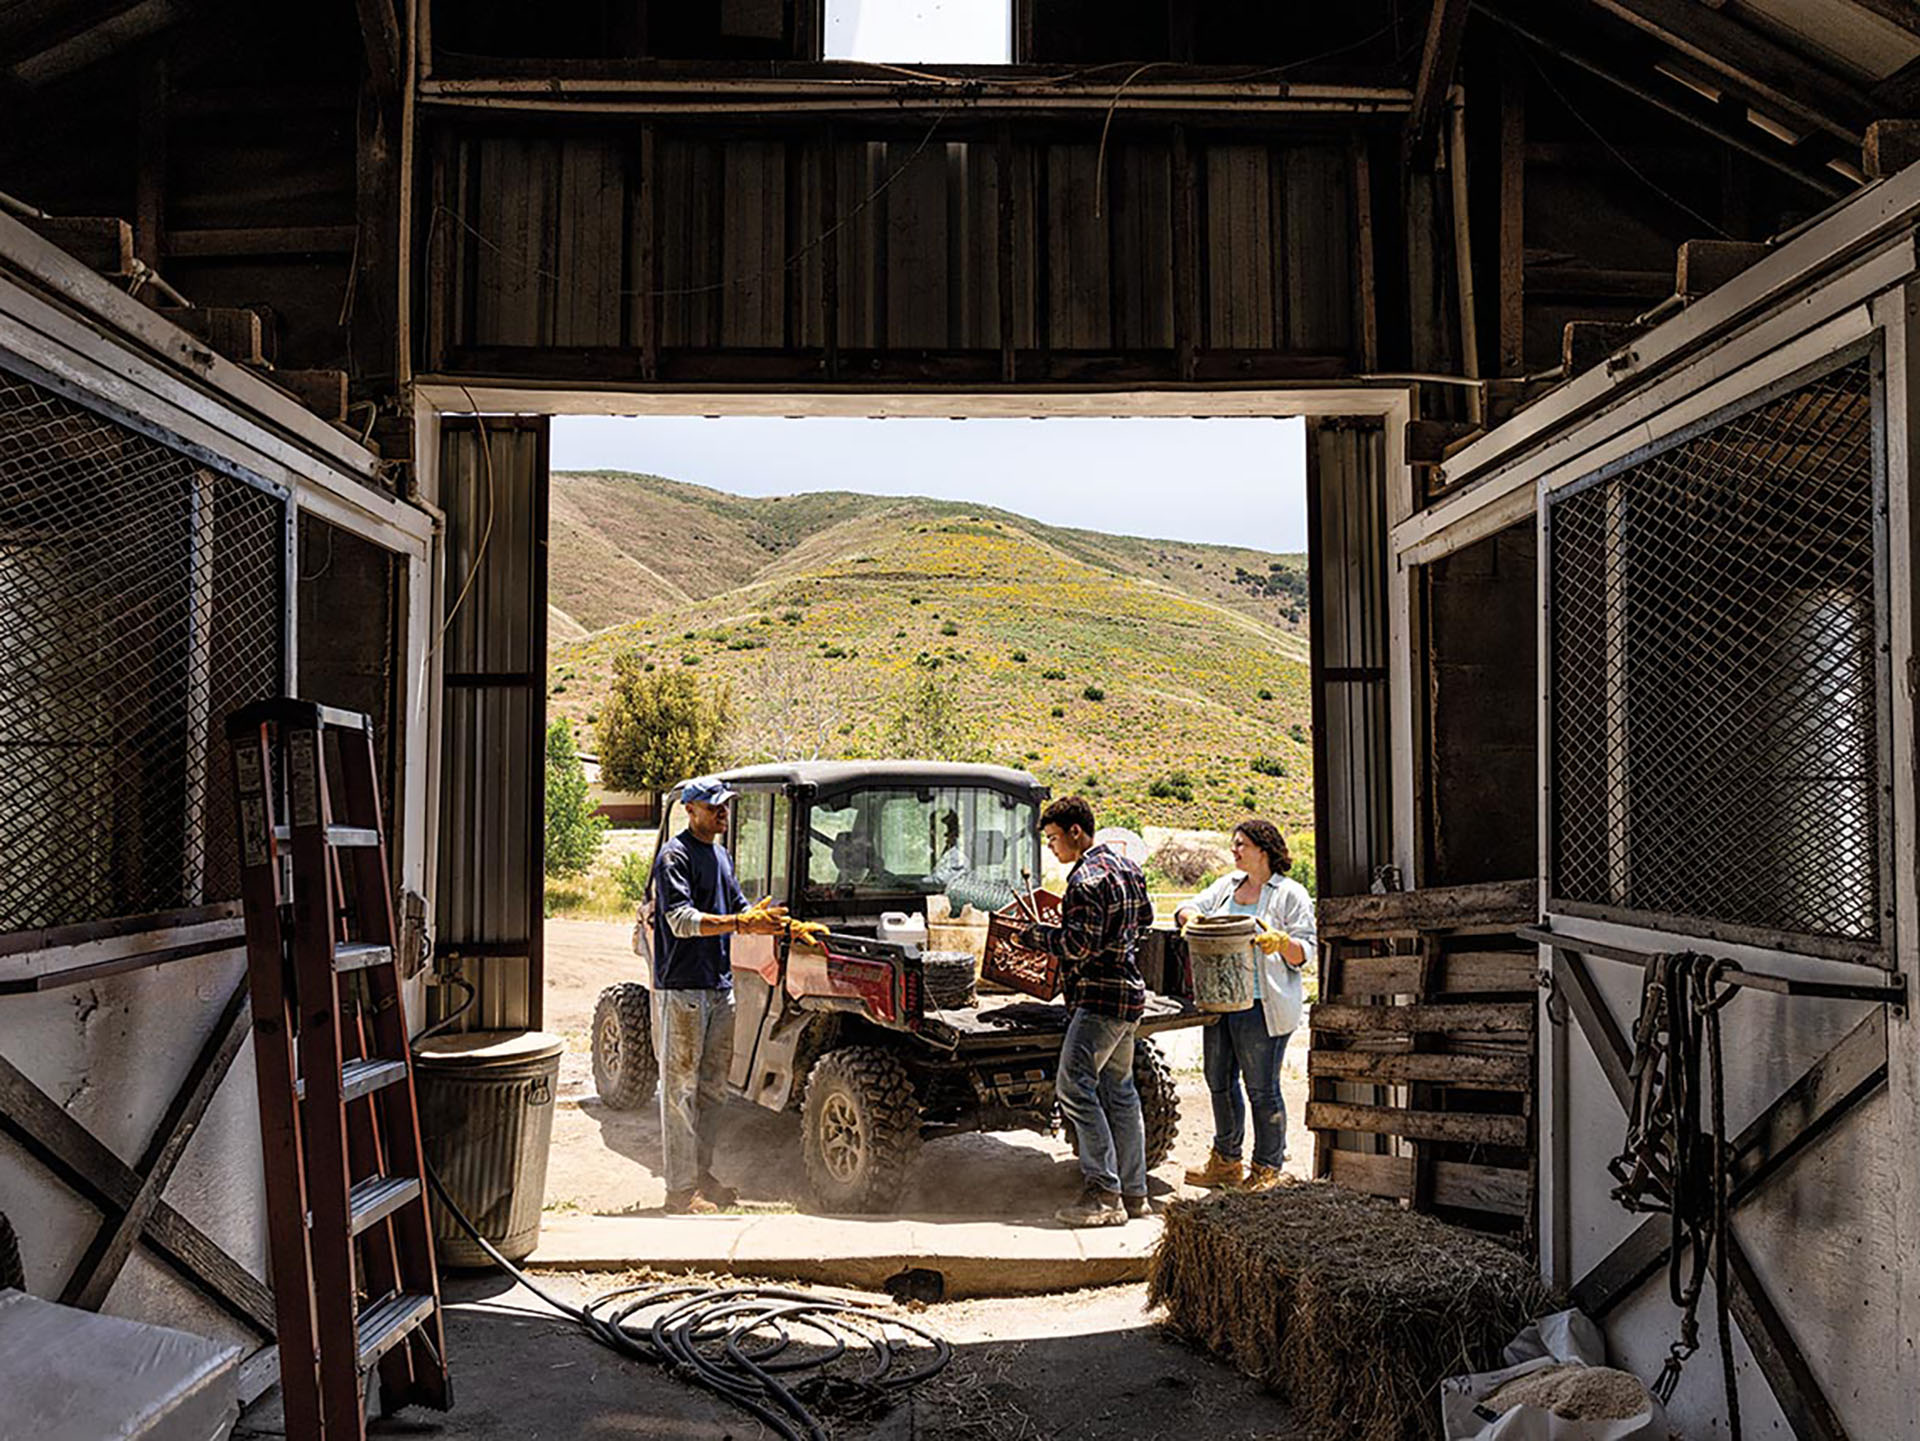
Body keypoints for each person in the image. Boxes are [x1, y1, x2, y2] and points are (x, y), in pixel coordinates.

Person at [650, 776, 789, 1215]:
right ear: (690, 810)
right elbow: (680, 921)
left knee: (712, 1091)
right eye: (714, 807)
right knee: (680, 1092)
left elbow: (738, 905)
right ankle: (678, 1192)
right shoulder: (674, 856)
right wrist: (741, 925)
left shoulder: (720, 854)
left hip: (718, 987)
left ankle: (701, 1178)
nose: (723, 812)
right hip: (685, 990)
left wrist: (756, 916)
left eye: (726, 806)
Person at [1017, 795, 1156, 1228]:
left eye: (1055, 839)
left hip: (1098, 1000)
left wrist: (1037, 937)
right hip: (1129, 995)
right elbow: (1146, 919)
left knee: (1075, 1088)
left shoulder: (1085, 880)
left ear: (1076, 832)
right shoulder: (1128, 868)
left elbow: (1078, 946)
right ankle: (1135, 1194)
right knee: (1121, 1092)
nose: (1053, 849)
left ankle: (1103, 1193)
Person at [1174, 818, 1315, 1193]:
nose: (1234, 850)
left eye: (1241, 845)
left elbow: (1306, 952)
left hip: (1260, 1005)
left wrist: (1281, 942)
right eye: (1234, 844)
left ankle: (1268, 1167)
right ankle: (1226, 1161)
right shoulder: (1225, 888)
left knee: (1261, 1088)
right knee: (1218, 1081)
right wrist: (1190, 918)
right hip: (1220, 1001)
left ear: (1263, 850)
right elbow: (1188, 907)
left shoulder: (1289, 894)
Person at [927, 810, 969, 889]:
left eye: (934, 828)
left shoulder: (958, 859)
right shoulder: (945, 853)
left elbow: (942, 880)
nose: (931, 833)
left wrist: (915, 883)